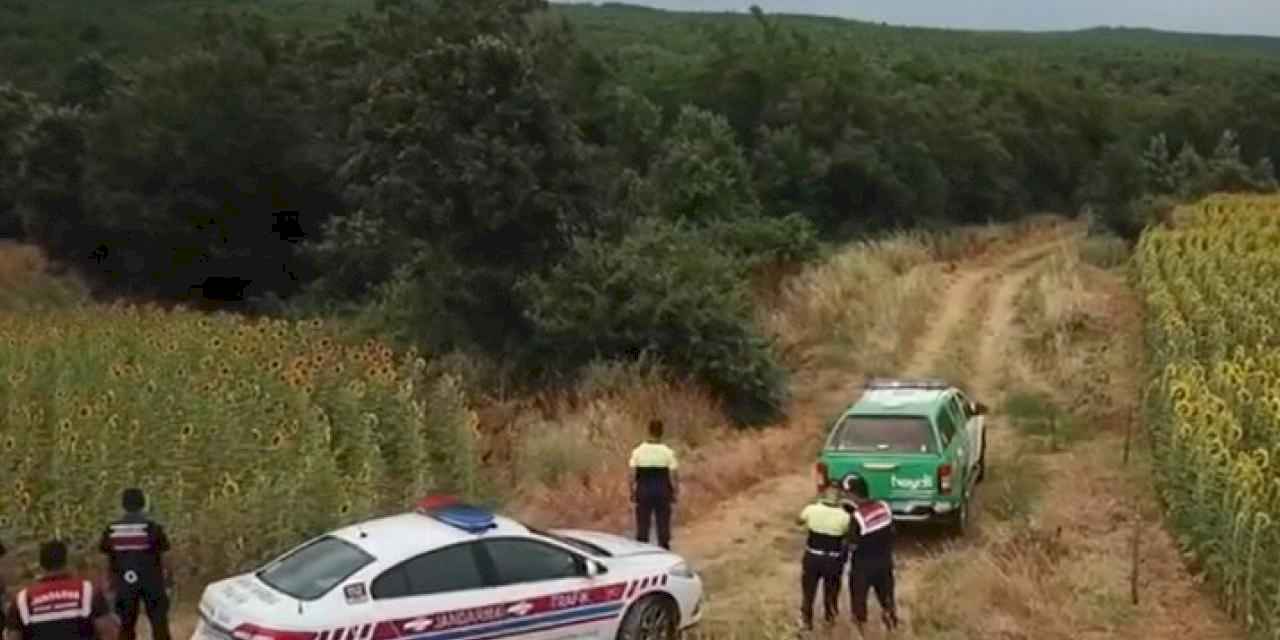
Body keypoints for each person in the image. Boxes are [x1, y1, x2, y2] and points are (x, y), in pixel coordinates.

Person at [3, 540, 118, 640]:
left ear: (41, 565)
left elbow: (13, 637)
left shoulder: (23, 599)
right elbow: (109, 634)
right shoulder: (88, 591)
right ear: (66, 561)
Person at [98, 489, 172, 640]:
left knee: (125, 627)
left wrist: (109, 582)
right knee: (159, 625)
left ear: (123, 505)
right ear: (143, 504)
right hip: (152, 582)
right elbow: (165, 557)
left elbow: (106, 558)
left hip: (124, 583)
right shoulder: (152, 528)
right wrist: (168, 580)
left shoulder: (112, 529)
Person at [841, 474, 899, 634]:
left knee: (859, 606)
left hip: (863, 568)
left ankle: (861, 634)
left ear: (853, 495)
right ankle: (893, 631)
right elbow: (893, 532)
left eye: (847, 494)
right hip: (885, 563)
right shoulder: (884, 507)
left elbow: (851, 544)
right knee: (887, 601)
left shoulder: (857, 517)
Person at [796, 486, 852, 631]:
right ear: (839, 500)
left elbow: (799, 521)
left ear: (822, 497)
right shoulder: (844, 516)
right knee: (831, 591)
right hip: (833, 559)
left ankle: (806, 620)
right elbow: (848, 534)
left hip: (813, 556)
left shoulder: (811, 509)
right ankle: (830, 618)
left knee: (808, 591)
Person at [629, 419, 679, 550]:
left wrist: (632, 491)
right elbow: (674, 475)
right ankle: (663, 548)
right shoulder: (667, 451)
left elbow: (632, 474)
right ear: (662, 432)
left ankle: (642, 549)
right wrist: (674, 492)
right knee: (663, 522)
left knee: (643, 524)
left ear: (648, 431)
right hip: (662, 489)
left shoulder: (638, 451)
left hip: (643, 488)